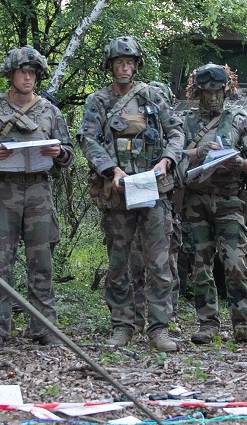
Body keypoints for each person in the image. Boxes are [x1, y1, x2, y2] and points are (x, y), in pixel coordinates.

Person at [78, 36, 185, 351]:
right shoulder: (98, 101)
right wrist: (112, 170)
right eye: (118, 63)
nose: (124, 68)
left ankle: (159, 328)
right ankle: (123, 326)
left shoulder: (152, 96)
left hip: (154, 190)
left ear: (136, 65)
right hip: (119, 192)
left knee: (159, 262)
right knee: (119, 262)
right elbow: (88, 138)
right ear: (110, 67)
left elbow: (176, 132)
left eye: (129, 62)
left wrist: (167, 160)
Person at [0, 47, 72, 345]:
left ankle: (44, 327)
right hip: (5, 191)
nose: (27, 77)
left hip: (39, 189)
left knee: (41, 260)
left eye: (32, 72)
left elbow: (68, 153)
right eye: (22, 72)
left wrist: (59, 152)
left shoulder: (50, 111)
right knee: (1, 258)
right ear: (11, 75)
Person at [176, 64, 247, 344]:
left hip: (230, 200)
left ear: (228, 89)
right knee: (200, 264)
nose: (213, 98)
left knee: (236, 262)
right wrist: (197, 152)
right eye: (207, 93)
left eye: (218, 92)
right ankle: (207, 323)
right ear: (197, 92)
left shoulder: (239, 119)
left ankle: (243, 323)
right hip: (195, 200)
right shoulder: (185, 122)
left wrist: (242, 163)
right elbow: (172, 157)